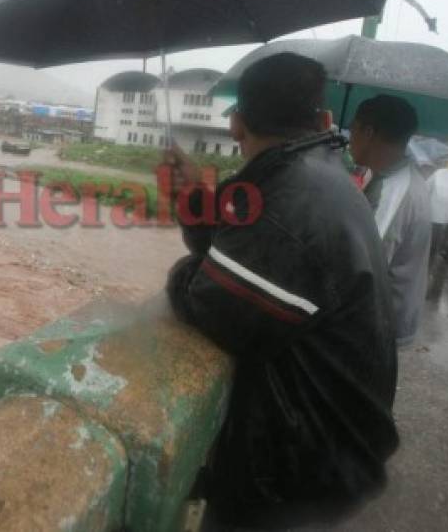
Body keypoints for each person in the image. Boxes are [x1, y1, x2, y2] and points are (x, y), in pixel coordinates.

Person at [165, 53, 398, 528]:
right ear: (322, 118)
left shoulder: (292, 201)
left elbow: (211, 305)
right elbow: (238, 234)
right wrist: (191, 197)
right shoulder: (314, 172)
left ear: (237, 124)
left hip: (297, 470)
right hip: (333, 449)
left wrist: (184, 271)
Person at [348, 95, 431, 347]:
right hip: (384, 318)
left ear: (368, 132)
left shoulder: (393, 192)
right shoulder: (391, 177)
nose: (349, 138)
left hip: (377, 326)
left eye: (352, 130)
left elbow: (363, 266)